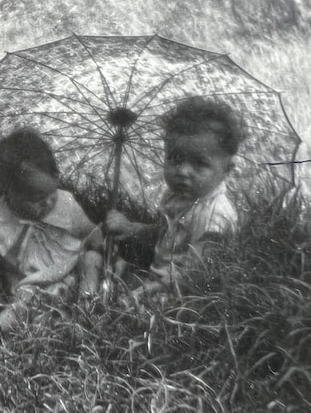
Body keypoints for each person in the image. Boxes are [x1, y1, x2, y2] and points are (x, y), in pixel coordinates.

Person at [104, 96, 247, 303]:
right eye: (175, 158)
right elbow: (164, 233)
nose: (182, 171)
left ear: (226, 170)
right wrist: (132, 228)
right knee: (107, 263)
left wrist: (143, 293)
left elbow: (195, 274)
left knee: (125, 306)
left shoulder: (215, 216)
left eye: (199, 164)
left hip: (182, 292)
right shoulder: (175, 195)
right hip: (158, 277)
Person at [0, 128, 101, 332]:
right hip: (33, 281)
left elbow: (91, 233)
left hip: (71, 265)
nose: (48, 202)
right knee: (24, 301)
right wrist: (8, 282)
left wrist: (99, 248)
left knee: (91, 261)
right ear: (9, 191)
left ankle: (86, 305)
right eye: (37, 199)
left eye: (51, 192)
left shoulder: (65, 205)